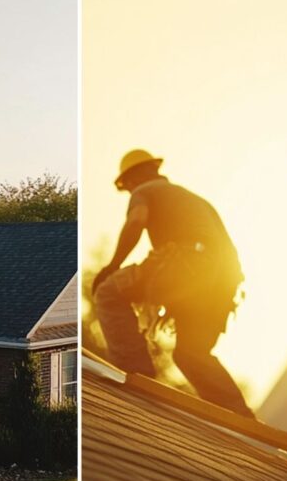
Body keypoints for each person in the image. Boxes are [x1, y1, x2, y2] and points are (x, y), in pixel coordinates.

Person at [93, 149, 254, 418]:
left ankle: (137, 374)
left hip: (186, 264)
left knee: (108, 291)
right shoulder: (194, 199)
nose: (130, 189)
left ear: (132, 178)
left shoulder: (144, 191)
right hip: (221, 284)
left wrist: (111, 266)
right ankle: (239, 416)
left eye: (129, 185)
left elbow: (136, 222)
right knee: (191, 353)